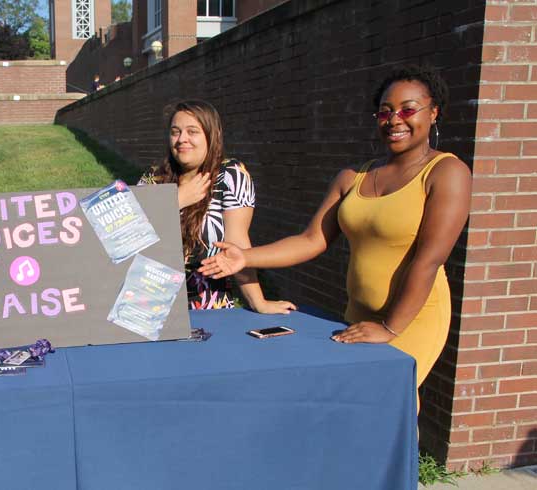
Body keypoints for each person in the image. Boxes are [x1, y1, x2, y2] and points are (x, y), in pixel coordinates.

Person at [203, 66, 471, 391]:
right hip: (358, 313)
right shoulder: (353, 177)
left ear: (434, 113)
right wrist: (245, 257)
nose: (395, 120)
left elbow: (428, 260)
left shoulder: (446, 172)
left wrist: (389, 328)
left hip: (412, 317)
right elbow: (311, 239)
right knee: (357, 401)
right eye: (385, 112)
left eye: (408, 109)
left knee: (389, 400)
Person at [141, 99, 295, 313]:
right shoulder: (152, 178)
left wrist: (258, 302)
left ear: (211, 135)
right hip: (149, 304)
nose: (181, 139)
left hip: (209, 307)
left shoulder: (230, 175)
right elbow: (128, 238)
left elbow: (237, 244)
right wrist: (176, 201)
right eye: (175, 132)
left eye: (192, 131)